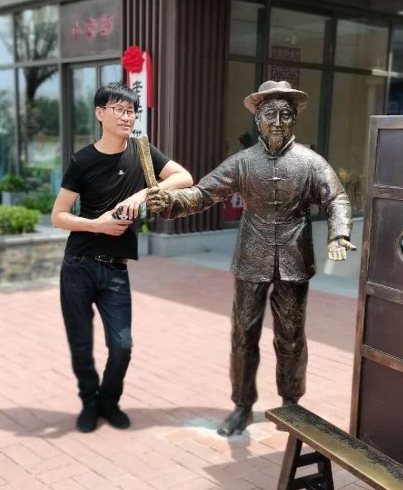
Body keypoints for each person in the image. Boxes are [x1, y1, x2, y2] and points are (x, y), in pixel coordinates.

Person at [147, 80, 355, 436]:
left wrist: (339, 233)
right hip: (251, 258)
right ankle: (242, 405)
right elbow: (203, 193)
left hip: (294, 258)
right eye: (270, 114)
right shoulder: (243, 162)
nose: (277, 122)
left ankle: (291, 403)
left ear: (294, 120)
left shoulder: (310, 163)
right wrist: (171, 202)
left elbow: (336, 198)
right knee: (243, 333)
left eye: (285, 115)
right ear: (258, 120)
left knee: (291, 337)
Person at [51, 82, 193, 433]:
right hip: (79, 265)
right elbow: (58, 216)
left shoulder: (142, 152)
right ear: (100, 113)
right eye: (119, 110)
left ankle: (109, 401)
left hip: (115, 270)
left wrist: (142, 194)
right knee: (81, 343)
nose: (127, 117)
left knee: (122, 345)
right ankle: (90, 404)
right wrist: (96, 225)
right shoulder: (82, 160)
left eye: (131, 111)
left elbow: (184, 177)